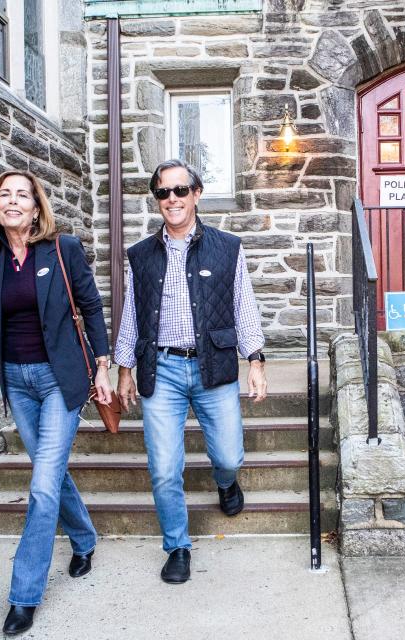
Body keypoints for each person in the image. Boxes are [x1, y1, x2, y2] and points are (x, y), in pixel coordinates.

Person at [115, 159, 267, 584]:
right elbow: (132, 314)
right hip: (160, 369)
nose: (172, 200)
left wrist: (255, 360)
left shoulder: (227, 247)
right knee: (164, 468)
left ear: (196, 194)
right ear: (157, 199)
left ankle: (226, 482)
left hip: (213, 366)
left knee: (228, 455)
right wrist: (124, 369)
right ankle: (177, 546)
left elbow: (244, 306)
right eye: (163, 193)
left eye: (180, 190)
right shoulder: (141, 256)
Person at [0, 170, 113, 635]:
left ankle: (23, 595)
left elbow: (91, 307)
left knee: (41, 485)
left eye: (23, 195)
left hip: (60, 380)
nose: (13, 201)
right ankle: (84, 537)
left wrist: (103, 364)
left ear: (37, 207)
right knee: (49, 474)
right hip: (17, 379)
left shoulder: (63, 249)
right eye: (5, 195)